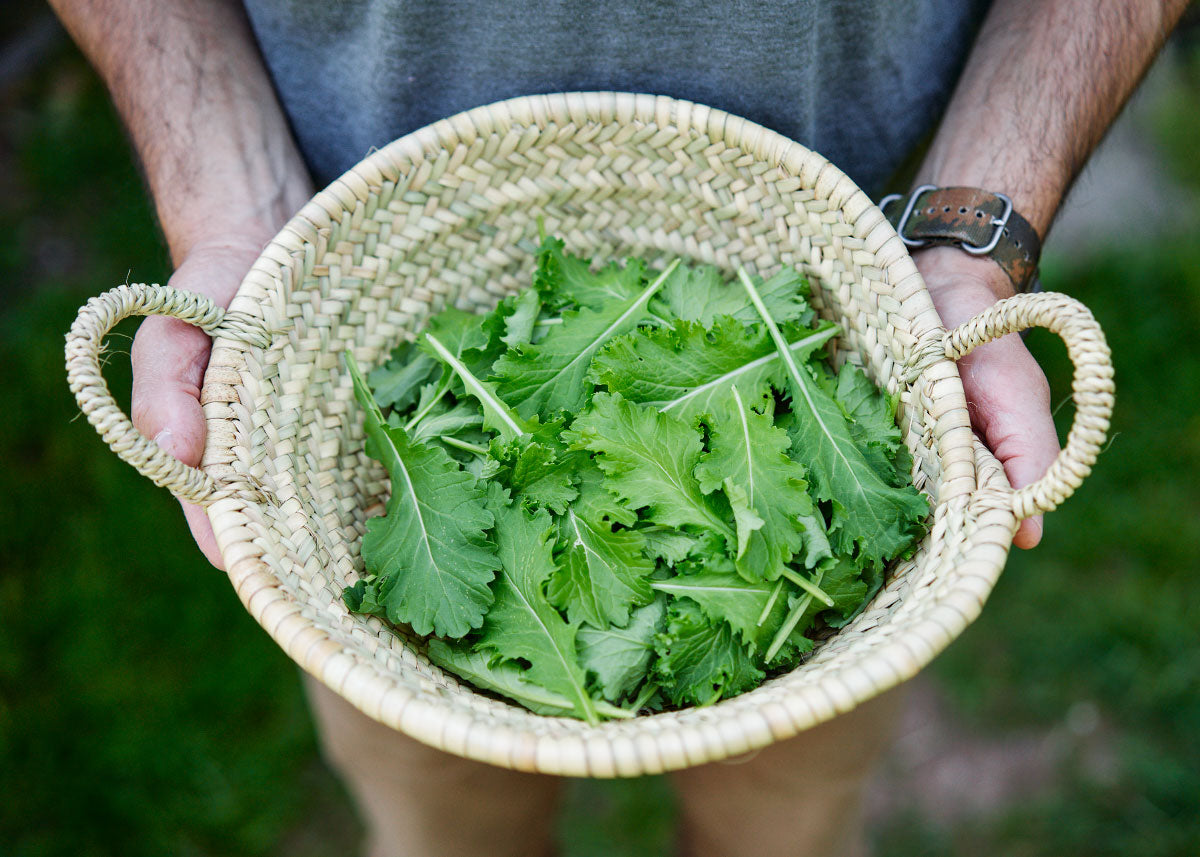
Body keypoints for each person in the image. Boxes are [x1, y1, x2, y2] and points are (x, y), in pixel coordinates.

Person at [48, 2, 1188, 855]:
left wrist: (968, 244)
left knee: (787, 830)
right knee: (445, 831)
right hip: (331, 221)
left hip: (867, 259)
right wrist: (231, 201)